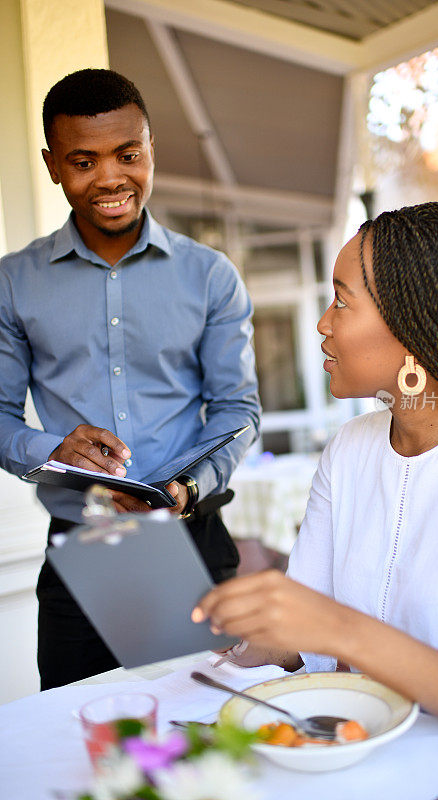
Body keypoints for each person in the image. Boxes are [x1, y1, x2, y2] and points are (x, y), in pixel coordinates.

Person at [193, 202, 438, 744]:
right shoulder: (351, 448)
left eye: (341, 301)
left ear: (416, 325)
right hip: (352, 758)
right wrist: (230, 629)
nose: (322, 324)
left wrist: (340, 628)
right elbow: (309, 642)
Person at [0, 69, 260, 689]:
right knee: (78, 749)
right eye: (83, 161)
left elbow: (238, 410)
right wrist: (51, 451)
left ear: (150, 148)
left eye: (129, 154)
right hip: (82, 552)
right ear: (53, 164)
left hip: (196, 541)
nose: (111, 178)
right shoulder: (13, 282)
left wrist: (187, 485)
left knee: (216, 732)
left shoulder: (210, 276)